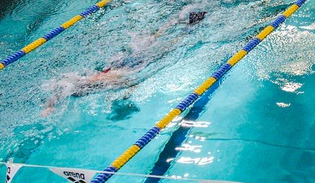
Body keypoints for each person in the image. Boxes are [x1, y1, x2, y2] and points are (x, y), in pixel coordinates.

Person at [43, 10, 207, 114]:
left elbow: (129, 81)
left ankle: (188, 26)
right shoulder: (84, 82)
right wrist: (49, 106)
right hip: (121, 63)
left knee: (166, 45)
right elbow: (63, 86)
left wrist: (126, 94)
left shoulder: (98, 82)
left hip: (134, 64)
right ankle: (176, 21)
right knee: (153, 40)